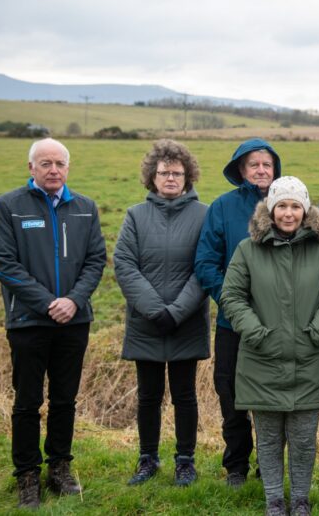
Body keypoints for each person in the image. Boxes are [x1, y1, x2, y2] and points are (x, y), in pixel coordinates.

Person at [0, 138, 107, 509]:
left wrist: (73, 301)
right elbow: (4, 263)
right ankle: (26, 473)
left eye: (59, 163)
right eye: (45, 163)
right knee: (27, 401)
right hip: (28, 321)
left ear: (68, 168)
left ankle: (59, 467)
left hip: (74, 320)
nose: (53, 169)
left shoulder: (85, 208)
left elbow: (95, 260)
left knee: (64, 399)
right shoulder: (9, 206)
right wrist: (47, 303)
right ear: (31, 168)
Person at [220, 176, 319, 516]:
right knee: (268, 440)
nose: (288, 213)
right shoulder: (248, 250)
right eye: (282, 206)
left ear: (305, 211)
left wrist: (317, 330)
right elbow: (231, 297)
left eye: (295, 206)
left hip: (308, 359)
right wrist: (256, 332)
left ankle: (301, 500)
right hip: (260, 359)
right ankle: (274, 501)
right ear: (270, 210)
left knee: (304, 440)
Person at [114, 139, 210, 487]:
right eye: (164, 172)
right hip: (147, 322)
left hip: (186, 321)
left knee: (185, 395)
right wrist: (156, 311)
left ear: (188, 177)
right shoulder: (136, 216)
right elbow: (124, 264)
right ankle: (147, 459)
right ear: (152, 177)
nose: (171, 178)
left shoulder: (204, 214)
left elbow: (205, 266)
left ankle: (185, 461)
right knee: (148, 395)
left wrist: (178, 311)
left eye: (177, 173)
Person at [194, 138, 281, 487]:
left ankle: (270, 464)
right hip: (233, 321)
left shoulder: (287, 205)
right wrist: (231, 301)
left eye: (267, 164)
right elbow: (206, 263)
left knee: (273, 396)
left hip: (277, 323)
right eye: (253, 165)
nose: (261, 170)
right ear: (241, 171)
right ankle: (236, 466)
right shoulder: (223, 207)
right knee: (229, 392)